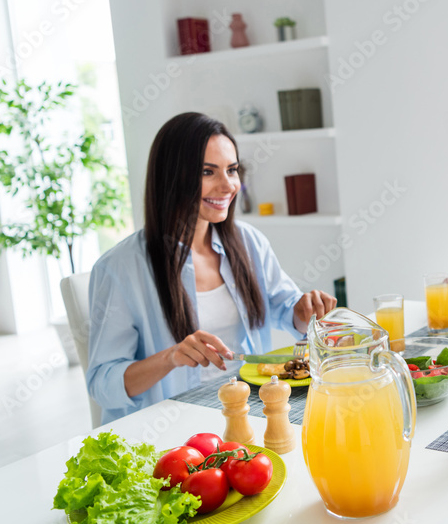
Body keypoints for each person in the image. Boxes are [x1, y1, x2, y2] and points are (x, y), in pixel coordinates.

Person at [86, 113, 336, 424]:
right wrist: (171, 357)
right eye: (207, 172)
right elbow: (102, 384)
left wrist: (303, 310)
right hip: (169, 426)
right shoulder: (119, 269)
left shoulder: (248, 242)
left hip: (249, 408)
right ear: (171, 176)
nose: (228, 185)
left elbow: (286, 309)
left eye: (232, 170)